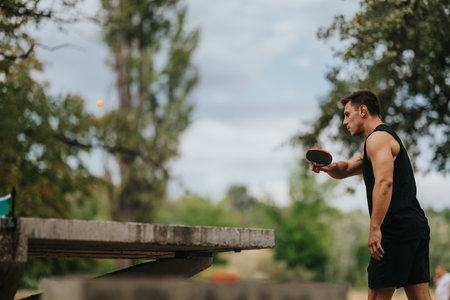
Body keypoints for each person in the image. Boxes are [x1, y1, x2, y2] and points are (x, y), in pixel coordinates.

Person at [311, 89, 431, 300]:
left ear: (363, 111)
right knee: (420, 297)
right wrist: (328, 167)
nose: (344, 122)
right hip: (414, 226)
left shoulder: (378, 139)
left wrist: (375, 228)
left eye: (347, 114)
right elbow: (347, 168)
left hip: (395, 229)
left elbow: (385, 183)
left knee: (376, 296)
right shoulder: (379, 142)